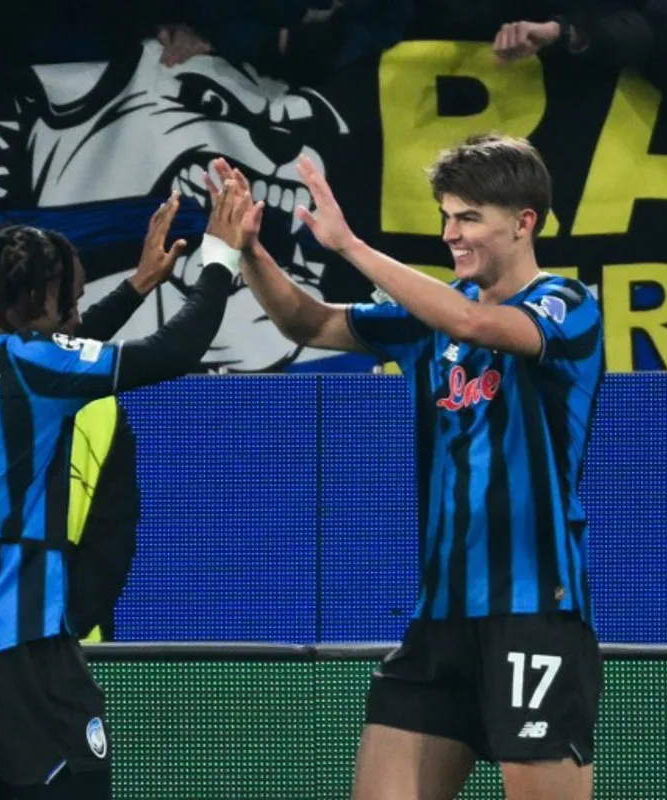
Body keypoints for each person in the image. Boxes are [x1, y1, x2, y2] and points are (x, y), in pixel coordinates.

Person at [209, 132, 604, 800]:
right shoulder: (429, 318)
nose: (451, 233)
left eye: (469, 217)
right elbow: (309, 325)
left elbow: (483, 328)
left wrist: (350, 246)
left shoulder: (566, 304)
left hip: (534, 610)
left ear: (524, 222)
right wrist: (250, 252)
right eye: (446, 216)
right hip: (438, 621)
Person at [0, 182, 259, 800]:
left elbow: (53, 352)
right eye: (69, 304)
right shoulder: (38, 369)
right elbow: (176, 349)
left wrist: (137, 285)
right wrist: (218, 256)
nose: (78, 317)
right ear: (34, 307)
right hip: (18, 654)